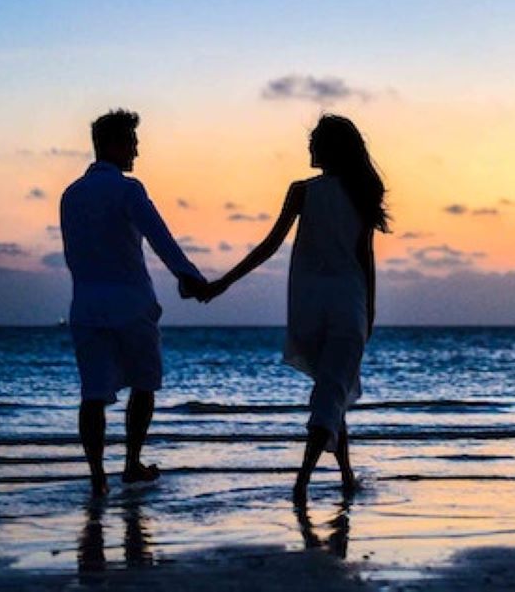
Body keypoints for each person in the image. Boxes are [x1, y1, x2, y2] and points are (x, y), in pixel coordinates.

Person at [206, 114, 387, 504]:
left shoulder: (302, 191)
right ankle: (302, 483)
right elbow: (365, 256)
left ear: (329, 148)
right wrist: (370, 312)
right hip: (348, 303)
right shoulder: (363, 189)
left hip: (308, 307)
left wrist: (222, 283)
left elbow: (269, 246)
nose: (308, 148)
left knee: (332, 390)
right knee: (331, 392)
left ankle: (346, 476)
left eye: (314, 141)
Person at [60, 109, 209, 496]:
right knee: (144, 385)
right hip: (130, 302)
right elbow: (158, 235)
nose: (136, 153)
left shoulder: (71, 194)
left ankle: (97, 477)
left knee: (93, 395)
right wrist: (188, 275)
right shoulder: (129, 189)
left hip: (87, 305)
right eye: (132, 143)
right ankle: (130, 464)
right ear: (113, 144)